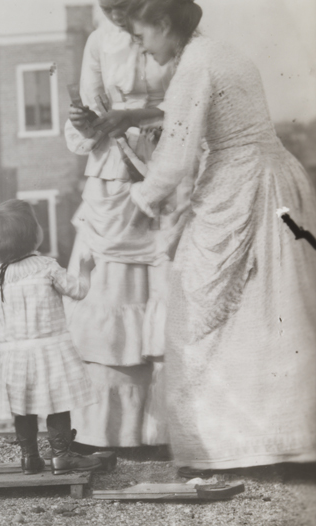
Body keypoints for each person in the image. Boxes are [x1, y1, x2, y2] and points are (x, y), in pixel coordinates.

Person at [125, 0, 316, 471]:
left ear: (165, 25)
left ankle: (232, 445)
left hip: (243, 186)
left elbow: (176, 156)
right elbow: (184, 121)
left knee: (198, 308)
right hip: (276, 178)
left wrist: (139, 200)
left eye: (143, 35)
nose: (142, 47)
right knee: (272, 309)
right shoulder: (218, 53)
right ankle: (283, 439)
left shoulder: (195, 65)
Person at [63, 0, 187, 448]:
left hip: (167, 167)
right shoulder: (99, 42)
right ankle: (111, 432)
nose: (114, 13)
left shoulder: (172, 35)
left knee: (167, 286)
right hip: (112, 180)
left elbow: (190, 103)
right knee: (110, 292)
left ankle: (166, 432)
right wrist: (84, 122)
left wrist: (143, 119)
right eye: (106, 6)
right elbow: (87, 124)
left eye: (122, 5)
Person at [0, 200, 101, 474]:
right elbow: (78, 291)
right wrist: (85, 269)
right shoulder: (46, 266)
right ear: (35, 235)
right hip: (49, 350)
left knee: (22, 406)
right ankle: (62, 455)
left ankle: (29, 457)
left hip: (14, 354)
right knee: (56, 402)